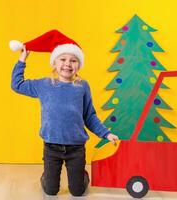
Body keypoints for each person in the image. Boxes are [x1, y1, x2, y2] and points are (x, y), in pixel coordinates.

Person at [10, 30, 119, 197]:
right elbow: (17, 85)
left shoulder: (82, 86)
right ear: (54, 62)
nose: (68, 64)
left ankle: (81, 175)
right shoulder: (44, 84)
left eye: (73, 60)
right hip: (51, 147)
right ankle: (47, 176)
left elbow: (89, 116)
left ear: (78, 65)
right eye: (63, 59)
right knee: (51, 190)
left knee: (77, 191)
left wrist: (106, 134)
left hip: (76, 148)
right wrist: (22, 60)